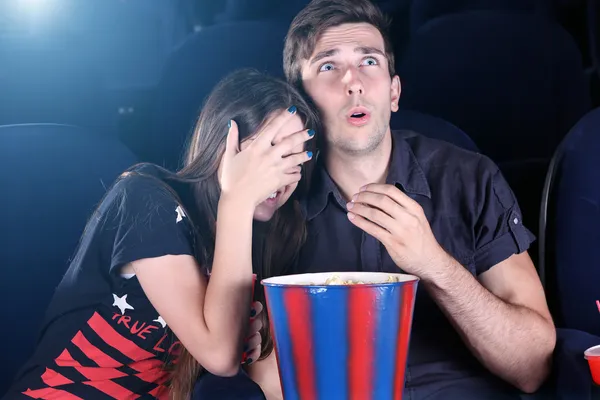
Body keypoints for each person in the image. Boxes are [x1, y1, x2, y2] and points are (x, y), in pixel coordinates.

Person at [247, 0, 557, 399]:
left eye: (369, 62)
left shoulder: (471, 178)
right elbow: (263, 376)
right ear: (301, 102)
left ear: (394, 93)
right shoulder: (274, 201)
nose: (353, 82)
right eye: (328, 66)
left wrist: (434, 265)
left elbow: (532, 366)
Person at [4, 69, 319, 400]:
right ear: (223, 147)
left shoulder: (255, 240)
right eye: (268, 154)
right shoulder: (145, 196)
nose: (279, 175)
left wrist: (246, 337)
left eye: (293, 159)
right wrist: (237, 199)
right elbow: (219, 356)